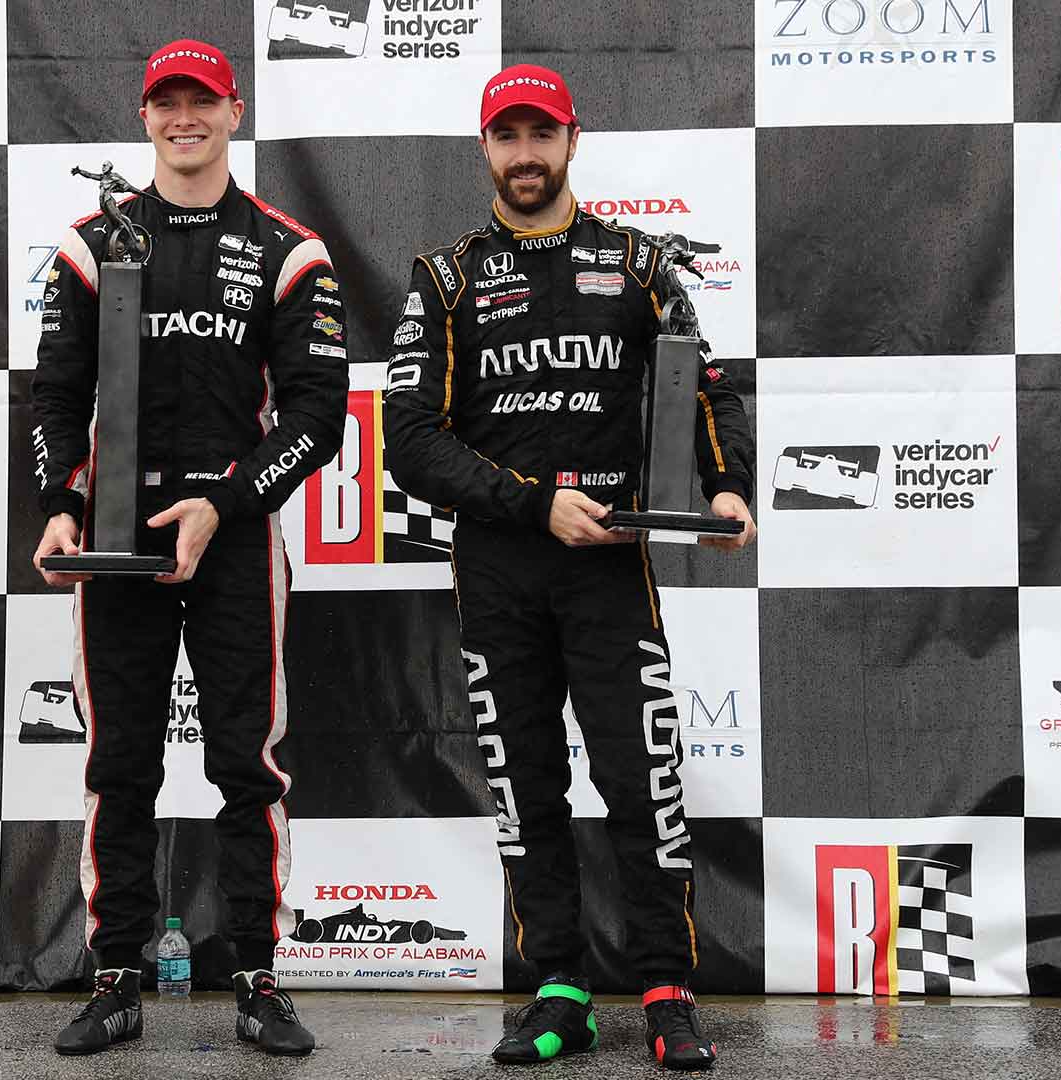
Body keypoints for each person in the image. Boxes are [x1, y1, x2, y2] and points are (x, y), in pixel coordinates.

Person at [381, 65, 754, 1071]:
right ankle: (558, 988)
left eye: (541, 133)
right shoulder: (448, 275)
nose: (526, 153)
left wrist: (725, 488)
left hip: (609, 567)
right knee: (525, 783)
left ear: (573, 140)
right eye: (507, 136)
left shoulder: (637, 264)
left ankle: (668, 988)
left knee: (642, 779)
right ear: (483, 149)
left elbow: (703, 386)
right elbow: (407, 439)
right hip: (499, 567)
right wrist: (531, 503)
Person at [30, 38, 347, 1059]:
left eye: (200, 102)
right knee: (119, 764)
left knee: (247, 766)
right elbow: (54, 397)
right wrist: (58, 506)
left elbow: (317, 411)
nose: (183, 119)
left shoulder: (289, 246)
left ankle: (257, 976)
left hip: (237, 538)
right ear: (144, 117)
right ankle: (117, 974)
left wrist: (229, 502)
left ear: (233, 111)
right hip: (115, 546)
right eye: (166, 103)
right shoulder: (89, 244)